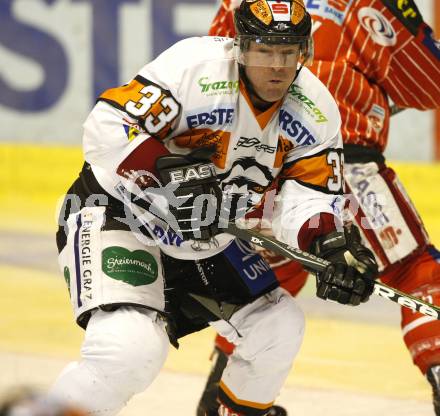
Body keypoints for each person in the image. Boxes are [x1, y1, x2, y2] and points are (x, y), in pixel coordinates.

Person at [48, 1, 378, 415]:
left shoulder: (315, 109)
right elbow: (106, 127)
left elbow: (308, 195)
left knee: (278, 325)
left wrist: (329, 244)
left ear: (304, 52)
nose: (277, 65)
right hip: (119, 212)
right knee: (128, 349)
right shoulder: (193, 67)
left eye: (289, 51)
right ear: (241, 47)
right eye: (264, 49)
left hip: (205, 236)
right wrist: (166, 176)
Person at [197, 0, 440, 415]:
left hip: (255, 168)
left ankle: (223, 399)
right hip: (341, 165)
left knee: (265, 285)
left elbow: (208, 73)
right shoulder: (369, 3)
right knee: (414, 272)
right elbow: (430, 82)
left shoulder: (243, 4)